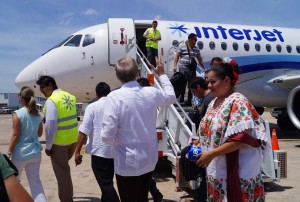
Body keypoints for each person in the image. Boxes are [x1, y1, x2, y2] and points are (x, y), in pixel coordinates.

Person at [100, 56, 176, 202]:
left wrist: (119, 140)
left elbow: (106, 136)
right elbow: (171, 97)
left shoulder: (114, 97)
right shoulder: (150, 93)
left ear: (118, 75)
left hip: (127, 164)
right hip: (149, 159)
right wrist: (162, 75)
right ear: (138, 73)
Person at [195, 61, 270, 201]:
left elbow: (241, 139)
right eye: (207, 82)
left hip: (238, 173)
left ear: (227, 81)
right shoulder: (214, 102)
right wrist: (200, 142)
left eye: (213, 82)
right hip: (217, 171)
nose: (209, 86)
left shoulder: (238, 101)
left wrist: (211, 154)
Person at [74, 82, 120, 202]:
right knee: (107, 182)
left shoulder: (92, 107)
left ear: (97, 93)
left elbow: (84, 131)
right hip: (116, 151)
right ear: (109, 92)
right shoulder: (117, 106)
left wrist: (78, 152)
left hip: (100, 153)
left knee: (105, 185)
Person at [36, 75, 78, 202]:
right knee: (65, 170)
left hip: (59, 144)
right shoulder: (70, 96)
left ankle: (66, 199)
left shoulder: (51, 101)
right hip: (72, 141)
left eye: (42, 87)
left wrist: (48, 147)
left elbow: (51, 126)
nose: (41, 91)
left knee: (63, 174)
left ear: (50, 85)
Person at [7, 86, 46, 202]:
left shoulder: (17, 114)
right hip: (35, 153)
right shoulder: (38, 114)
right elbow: (39, 134)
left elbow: (15, 135)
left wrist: (9, 151)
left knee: (13, 183)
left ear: (21, 98)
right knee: (36, 184)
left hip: (20, 154)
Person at [137, 77, 163, 202]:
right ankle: (155, 192)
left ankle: (150, 193)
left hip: (141, 141)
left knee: (141, 174)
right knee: (147, 172)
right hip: (151, 141)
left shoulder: (140, 101)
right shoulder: (154, 99)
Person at [173, 33, 206, 106]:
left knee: (192, 84)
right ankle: (181, 98)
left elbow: (200, 59)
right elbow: (177, 56)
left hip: (192, 69)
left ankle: (189, 101)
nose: (196, 41)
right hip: (183, 67)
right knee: (182, 83)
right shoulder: (182, 47)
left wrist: (204, 68)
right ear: (190, 39)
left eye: (196, 40)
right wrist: (175, 66)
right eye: (195, 39)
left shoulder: (196, 49)